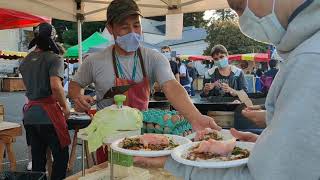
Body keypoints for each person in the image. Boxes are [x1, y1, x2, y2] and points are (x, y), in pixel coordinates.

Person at [134, 0, 320, 179]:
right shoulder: (303, 52)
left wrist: (175, 164)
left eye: (239, 6)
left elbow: (269, 174)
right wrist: (266, 143)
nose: (241, 20)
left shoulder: (309, 61)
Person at [68, 0, 220, 164]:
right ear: (111, 28)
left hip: (143, 136)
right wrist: (78, 97)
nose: (132, 32)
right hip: (107, 138)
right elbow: (75, 86)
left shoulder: (153, 58)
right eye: (125, 27)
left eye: (136, 26)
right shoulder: (95, 61)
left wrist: (195, 117)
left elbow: (171, 86)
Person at [20, 23, 70, 180]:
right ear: (52, 39)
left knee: (38, 160)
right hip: (49, 114)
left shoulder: (25, 61)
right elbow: (55, 86)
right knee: (61, 156)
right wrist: (65, 106)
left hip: (30, 115)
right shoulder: (54, 58)